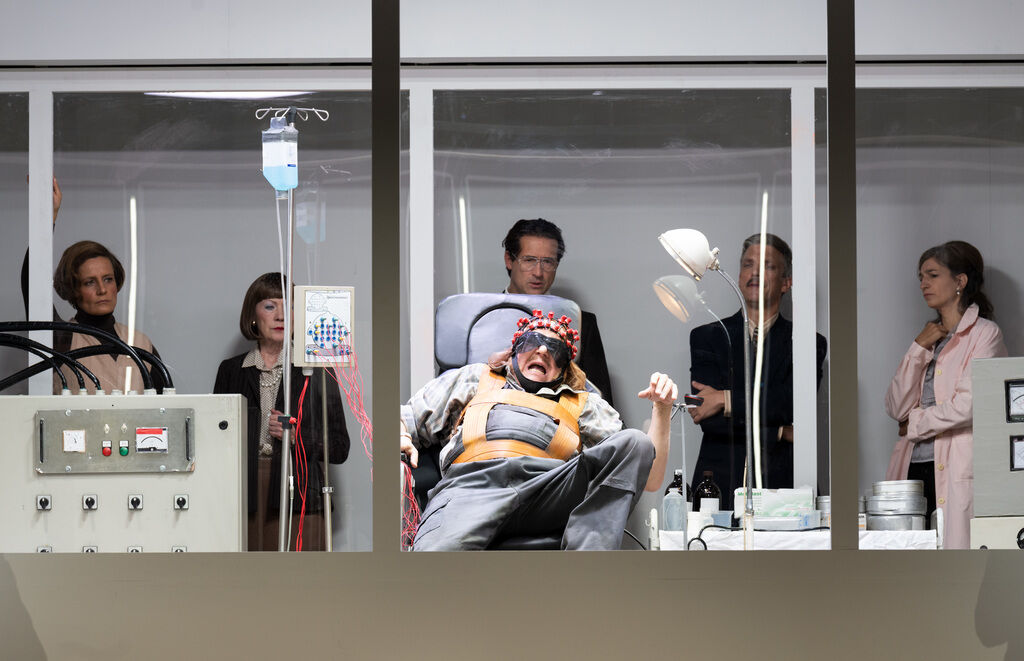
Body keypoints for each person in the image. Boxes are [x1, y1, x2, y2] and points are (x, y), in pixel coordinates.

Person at [400, 309, 677, 551]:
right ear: (514, 351)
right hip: (472, 487)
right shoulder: (476, 378)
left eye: (555, 350)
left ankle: (588, 566)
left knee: (635, 442)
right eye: (532, 342)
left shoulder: (583, 403)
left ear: (563, 367)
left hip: (549, 491)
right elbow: (406, 417)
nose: (543, 351)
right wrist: (401, 435)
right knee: (431, 571)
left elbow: (648, 477)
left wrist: (662, 409)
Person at [688, 233, 827, 510]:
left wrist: (725, 399)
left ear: (786, 282)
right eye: (748, 264)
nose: (754, 272)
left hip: (785, 485)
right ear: (740, 275)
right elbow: (710, 421)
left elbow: (789, 403)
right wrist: (780, 431)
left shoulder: (808, 342)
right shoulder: (706, 337)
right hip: (719, 486)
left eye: (767, 266)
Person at [213, 273, 351, 552]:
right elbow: (215, 442)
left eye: (289, 306)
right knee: (247, 575)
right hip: (244, 492)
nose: (280, 316)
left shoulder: (319, 369)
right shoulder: (231, 370)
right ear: (253, 316)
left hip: (301, 492)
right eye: (269, 306)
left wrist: (296, 437)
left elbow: (339, 448)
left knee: (302, 576)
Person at [884, 241, 1006, 550]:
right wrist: (918, 347)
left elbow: (970, 405)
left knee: (955, 559)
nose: (923, 284)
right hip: (913, 467)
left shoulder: (985, 334)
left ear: (960, 281)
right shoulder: (928, 337)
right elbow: (896, 406)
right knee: (910, 561)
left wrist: (915, 423)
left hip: (956, 466)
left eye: (933, 275)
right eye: (921, 277)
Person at [501, 218, 615, 406]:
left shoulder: (581, 322)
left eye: (547, 262)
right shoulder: (482, 319)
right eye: (529, 260)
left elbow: (602, 402)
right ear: (509, 260)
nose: (538, 272)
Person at [51, 239, 162, 394]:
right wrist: (46, 226)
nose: (102, 290)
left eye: (108, 279)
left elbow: (166, 405)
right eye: (90, 282)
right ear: (73, 289)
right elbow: (31, 280)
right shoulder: (63, 339)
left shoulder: (141, 343)